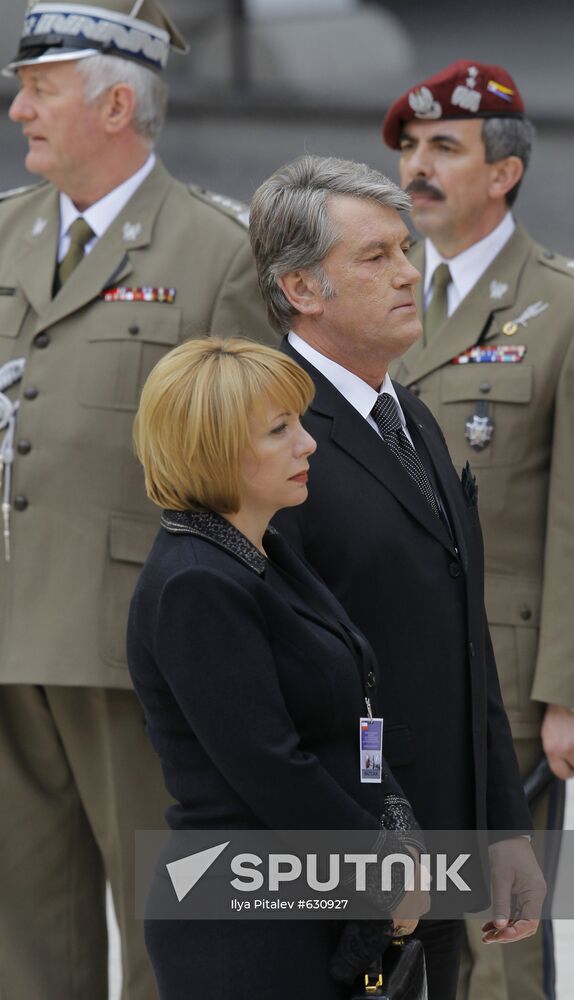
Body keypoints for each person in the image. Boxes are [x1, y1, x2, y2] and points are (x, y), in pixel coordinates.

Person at [0, 3, 275, 998]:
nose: (18, 108)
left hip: (140, 650)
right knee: (23, 940)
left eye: (41, 89)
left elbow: (259, 472)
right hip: (9, 636)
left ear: (118, 104)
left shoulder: (217, 254)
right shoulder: (2, 234)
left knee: (172, 935)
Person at [249, 154, 546, 1000]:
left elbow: (461, 641)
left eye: (405, 249)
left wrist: (499, 828)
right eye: (374, 257)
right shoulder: (268, 432)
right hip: (346, 870)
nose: (409, 272)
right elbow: (266, 685)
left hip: (437, 855)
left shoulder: (406, 411)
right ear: (302, 288)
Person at [381, 59, 574, 1000]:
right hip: (371, 674)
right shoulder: (371, 295)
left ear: (503, 172)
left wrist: (571, 693)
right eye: (408, 148)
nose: (417, 167)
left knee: (498, 938)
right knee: (377, 921)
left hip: (501, 683)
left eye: (442, 148)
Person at [129, 335, 427, 1000]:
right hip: (243, 924)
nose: (308, 443)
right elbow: (267, 763)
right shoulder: (196, 583)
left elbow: (356, 719)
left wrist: (399, 828)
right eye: (278, 430)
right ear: (213, 448)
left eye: (297, 422)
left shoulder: (263, 553)